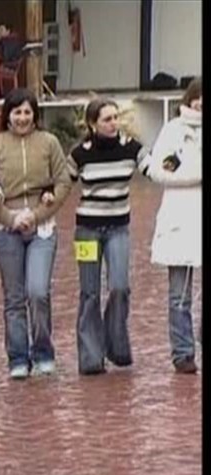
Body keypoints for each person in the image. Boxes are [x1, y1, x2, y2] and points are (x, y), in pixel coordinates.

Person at [0, 88, 72, 379]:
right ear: (8, 115)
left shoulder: (49, 142)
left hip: (41, 228)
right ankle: (17, 357)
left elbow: (63, 182)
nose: (22, 117)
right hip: (7, 231)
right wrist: (10, 217)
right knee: (14, 298)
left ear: (35, 114)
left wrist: (37, 214)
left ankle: (43, 352)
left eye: (27, 112)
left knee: (38, 292)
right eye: (17, 112)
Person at [67, 99, 150, 375]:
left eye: (115, 117)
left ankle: (116, 346)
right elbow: (62, 183)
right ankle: (91, 357)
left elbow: (154, 168)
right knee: (89, 292)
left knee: (119, 287)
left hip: (118, 229)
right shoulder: (80, 154)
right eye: (107, 119)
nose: (113, 123)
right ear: (93, 124)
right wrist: (44, 198)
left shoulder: (131, 148)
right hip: (87, 231)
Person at [147, 77, 202, 374]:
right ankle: (182, 353)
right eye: (198, 96)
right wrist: (196, 175)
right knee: (179, 293)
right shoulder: (173, 131)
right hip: (180, 217)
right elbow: (161, 170)